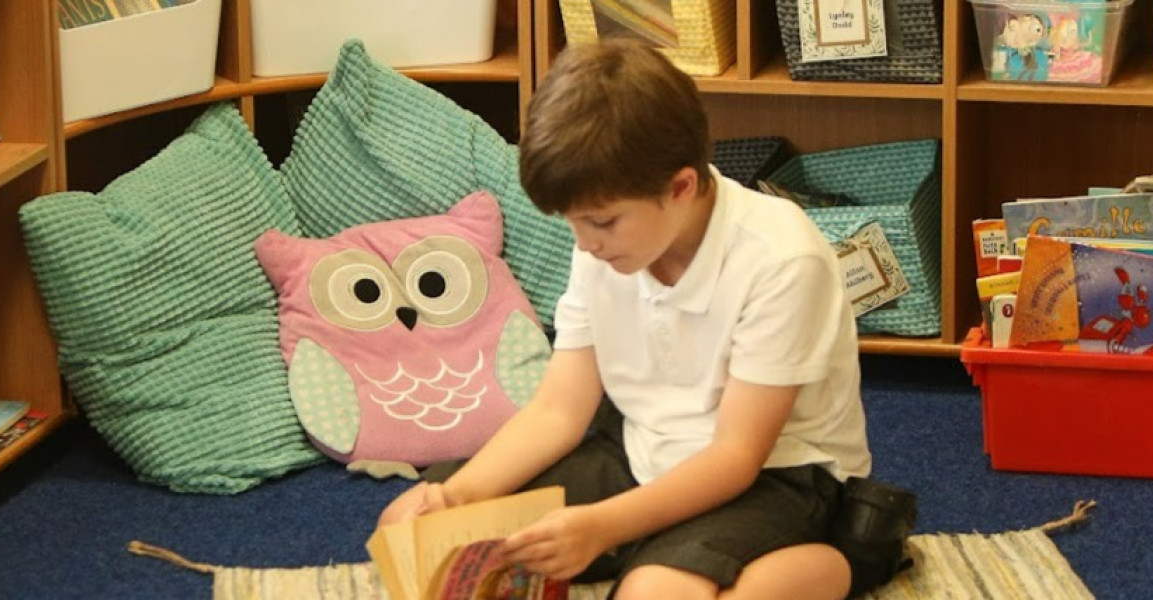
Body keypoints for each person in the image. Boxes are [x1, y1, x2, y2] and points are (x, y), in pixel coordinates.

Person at [379, 37, 903, 599]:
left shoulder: (781, 258)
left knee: (654, 590)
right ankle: (657, 548)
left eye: (602, 222)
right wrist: (455, 497)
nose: (585, 243)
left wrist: (602, 527)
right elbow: (559, 410)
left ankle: (847, 561)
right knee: (415, 527)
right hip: (640, 450)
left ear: (680, 187)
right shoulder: (603, 242)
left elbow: (736, 457)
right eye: (573, 222)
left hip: (779, 475)